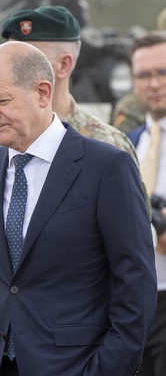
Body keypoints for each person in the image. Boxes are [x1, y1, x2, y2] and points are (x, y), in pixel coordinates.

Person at [0, 41, 156, 376]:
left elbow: (135, 286)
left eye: (1, 100)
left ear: (43, 92)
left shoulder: (107, 167)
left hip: (74, 367)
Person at [1, 5, 139, 160]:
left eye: (28, 61)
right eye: (9, 59)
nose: (11, 69)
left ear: (64, 65)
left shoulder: (108, 145)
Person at [126, 33, 166, 376]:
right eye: (143, 75)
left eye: (163, 72)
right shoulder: (125, 144)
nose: (154, 83)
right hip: (135, 304)